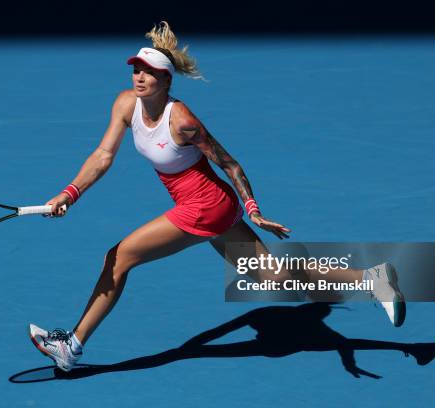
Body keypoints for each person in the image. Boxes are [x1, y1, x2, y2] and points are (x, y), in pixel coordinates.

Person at [28, 21, 406, 373]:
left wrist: (254, 210)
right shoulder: (127, 104)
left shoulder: (183, 121)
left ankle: (72, 346)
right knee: (272, 277)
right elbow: (103, 155)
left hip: (206, 206)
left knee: (119, 257)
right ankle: (370, 280)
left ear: (165, 80)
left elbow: (230, 164)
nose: (138, 77)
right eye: (135, 70)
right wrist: (70, 193)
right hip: (208, 206)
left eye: (147, 72)